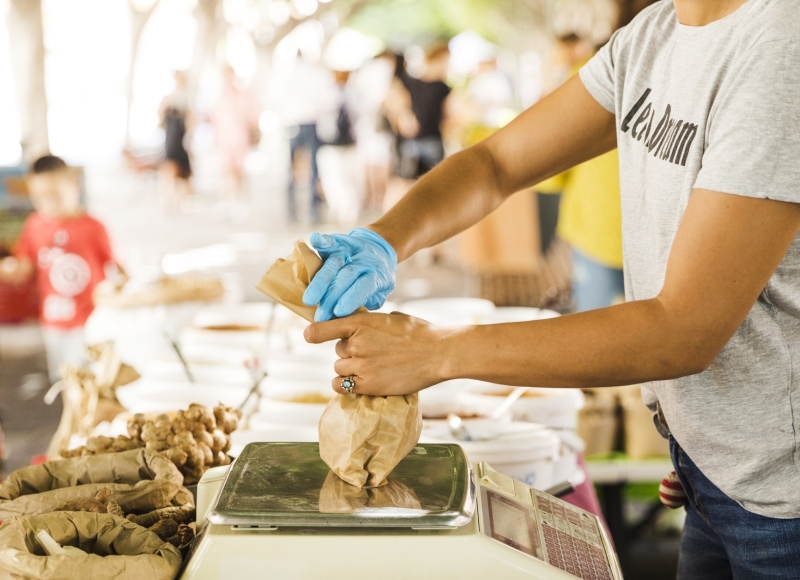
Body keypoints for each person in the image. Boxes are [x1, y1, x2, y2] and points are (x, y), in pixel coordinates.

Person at [299, 1, 800, 577]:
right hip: (718, 477)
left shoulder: (779, 44)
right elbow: (495, 162)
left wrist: (435, 351)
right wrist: (383, 239)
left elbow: (684, 328)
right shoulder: (655, 35)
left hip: (780, 511)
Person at [0, 156, 120, 383]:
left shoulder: (93, 226)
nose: (48, 202)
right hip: (53, 323)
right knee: (64, 380)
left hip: (91, 320)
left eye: (54, 194)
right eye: (39, 197)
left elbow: (119, 268)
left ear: (74, 185)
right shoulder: (34, 225)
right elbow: (23, 269)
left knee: (91, 380)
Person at [210, 66, 260, 217]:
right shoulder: (219, 96)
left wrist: (255, 133)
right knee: (226, 170)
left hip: (240, 138)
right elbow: (214, 119)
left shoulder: (243, 95)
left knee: (239, 171)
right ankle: (227, 202)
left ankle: (240, 203)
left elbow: (253, 116)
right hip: (224, 139)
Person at [316, 70, 361, 227]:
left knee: (336, 177)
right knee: (348, 177)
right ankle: (348, 207)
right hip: (349, 142)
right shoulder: (353, 94)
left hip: (333, 142)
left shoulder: (328, 94)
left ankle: (341, 206)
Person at [158, 71, 193, 210]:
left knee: (183, 171)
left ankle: (179, 199)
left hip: (180, 137)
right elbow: (160, 113)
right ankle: (169, 199)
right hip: (170, 137)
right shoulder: (168, 97)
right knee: (169, 167)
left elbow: (191, 118)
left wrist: (189, 136)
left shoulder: (186, 98)